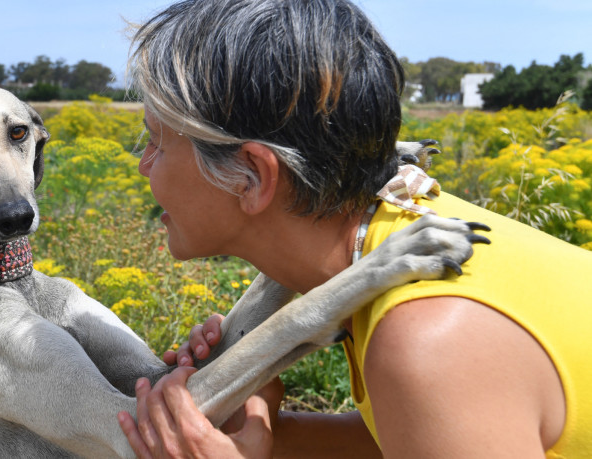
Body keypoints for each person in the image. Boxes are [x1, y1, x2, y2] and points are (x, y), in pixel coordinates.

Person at [116, 0, 592, 457]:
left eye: (156, 142)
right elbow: (401, 438)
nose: (143, 167)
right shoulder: (409, 224)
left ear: (253, 176)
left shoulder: (429, 342)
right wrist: (258, 435)